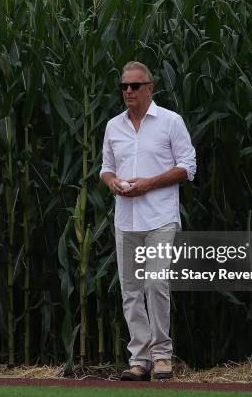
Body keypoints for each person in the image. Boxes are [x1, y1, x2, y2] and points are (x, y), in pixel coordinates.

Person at [99, 61, 196, 381]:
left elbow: (187, 167)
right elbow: (106, 167)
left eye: (135, 86)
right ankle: (139, 360)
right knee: (130, 290)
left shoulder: (170, 122)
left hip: (159, 218)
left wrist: (149, 183)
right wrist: (111, 182)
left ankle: (162, 356)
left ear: (150, 88)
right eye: (124, 86)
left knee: (155, 283)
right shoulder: (114, 126)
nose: (128, 91)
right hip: (125, 219)